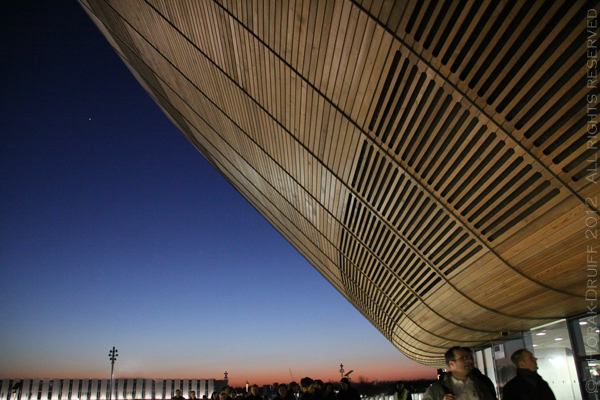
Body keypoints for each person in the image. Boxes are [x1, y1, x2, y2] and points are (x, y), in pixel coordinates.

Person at [423, 346, 496, 400]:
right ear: (452, 364)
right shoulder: (436, 390)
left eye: (470, 358)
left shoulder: (483, 383)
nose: (469, 361)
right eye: (463, 358)